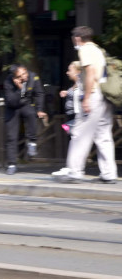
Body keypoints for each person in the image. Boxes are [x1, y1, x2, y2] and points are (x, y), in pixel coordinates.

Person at [52, 26, 117, 183]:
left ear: (78, 38)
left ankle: (75, 172)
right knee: (103, 136)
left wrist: (86, 97)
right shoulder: (98, 50)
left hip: (93, 95)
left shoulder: (85, 50)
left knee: (80, 134)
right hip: (104, 96)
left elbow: (90, 73)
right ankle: (109, 174)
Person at [2, 63, 46, 175]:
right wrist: (20, 89)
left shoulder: (33, 77)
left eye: (24, 73)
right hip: (12, 108)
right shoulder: (8, 82)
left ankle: (32, 142)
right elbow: (12, 101)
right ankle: (12, 164)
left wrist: (40, 109)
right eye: (20, 76)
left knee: (31, 114)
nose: (23, 77)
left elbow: (39, 94)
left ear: (27, 70)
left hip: (26, 104)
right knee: (11, 137)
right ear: (14, 77)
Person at [58, 61, 82, 134]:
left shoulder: (81, 84)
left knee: (73, 135)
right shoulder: (75, 84)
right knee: (69, 133)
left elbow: (80, 96)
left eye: (69, 70)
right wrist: (67, 92)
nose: (67, 73)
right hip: (70, 116)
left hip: (77, 116)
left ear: (78, 72)